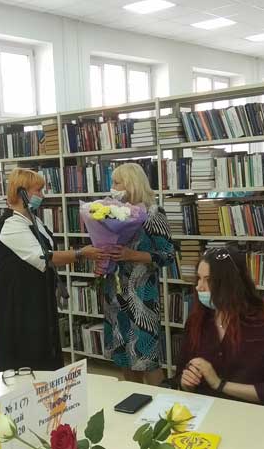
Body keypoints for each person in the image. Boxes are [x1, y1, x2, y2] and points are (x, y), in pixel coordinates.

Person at [0, 168, 106, 372]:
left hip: (38, 295)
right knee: (27, 349)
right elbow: (45, 257)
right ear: (21, 192)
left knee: (45, 345)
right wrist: (81, 253)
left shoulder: (32, 219)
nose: (42, 196)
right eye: (38, 190)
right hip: (19, 302)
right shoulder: (10, 224)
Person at [175, 246, 264, 409]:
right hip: (204, 411)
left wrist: (219, 384)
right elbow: (180, 374)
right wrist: (186, 382)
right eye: (199, 279)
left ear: (230, 284)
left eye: (208, 280)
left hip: (250, 413)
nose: (199, 287)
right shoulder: (196, 321)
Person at [97, 163, 175, 385]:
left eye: (117, 182)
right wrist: (102, 261)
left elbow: (168, 255)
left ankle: (160, 400)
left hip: (141, 297)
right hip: (115, 294)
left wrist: (133, 255)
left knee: (147, 358)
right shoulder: (111, 213)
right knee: (123, 357)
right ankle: (133, 398)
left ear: (131, 184)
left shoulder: (153, 213)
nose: (113, 187)